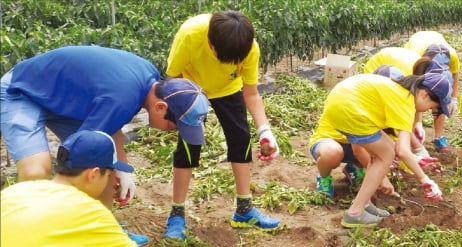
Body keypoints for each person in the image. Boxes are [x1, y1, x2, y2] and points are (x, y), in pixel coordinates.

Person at [0, 45, 210, 245]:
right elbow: (79, 154)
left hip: (64, 98)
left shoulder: (150, 79)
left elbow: (108, 127)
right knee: (37, 170)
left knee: (107, 166)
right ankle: (40, 235)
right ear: (161, 107)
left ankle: (102, 230)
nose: (172, 131)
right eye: (173, 126)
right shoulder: (123, 97)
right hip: (24, 91)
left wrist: (122, 167)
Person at [165, 10, 280, 238]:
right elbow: (172, 79)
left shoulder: (248, 47)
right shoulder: (190, 35)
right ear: (211, 44)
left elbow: (251, 93)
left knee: (241, 139)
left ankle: (244, 209)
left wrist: (265, 130)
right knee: (189, 147)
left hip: (227, 89)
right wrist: (184, 111)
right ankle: (177, 214)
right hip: (191, 88)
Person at [317, 66, 449, 228]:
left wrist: (416, 159)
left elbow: (398, 148)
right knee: (385, 156)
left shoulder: (398, 91)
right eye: (430, 107)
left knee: (383, 152)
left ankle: (363, 204)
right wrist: (425, 179)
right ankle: (355, 213)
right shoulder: (406, 102)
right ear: (424, 95)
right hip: (349, 108)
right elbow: (403, 150)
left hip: (339, 103)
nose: (427, 111)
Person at [1, 130, 140, 246]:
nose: (108, 183)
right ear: (94, 174)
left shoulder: (14, 192)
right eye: (109, 176)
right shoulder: (90, 213)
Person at [363, 47, 430, 158]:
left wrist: (418, 125)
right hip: (379, 63)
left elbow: (402, 123)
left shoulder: (404, 88)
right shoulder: (372, 100)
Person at [404, 31, 460, 153]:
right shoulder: (415, 60)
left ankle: (438, 137)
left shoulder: (452, 56)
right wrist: (418, 122)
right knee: (418, 98)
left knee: (438, 99)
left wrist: (452, 98)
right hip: (416, 45)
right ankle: (412, 133)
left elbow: (455, 74)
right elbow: (417, 92)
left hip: (434, 41)